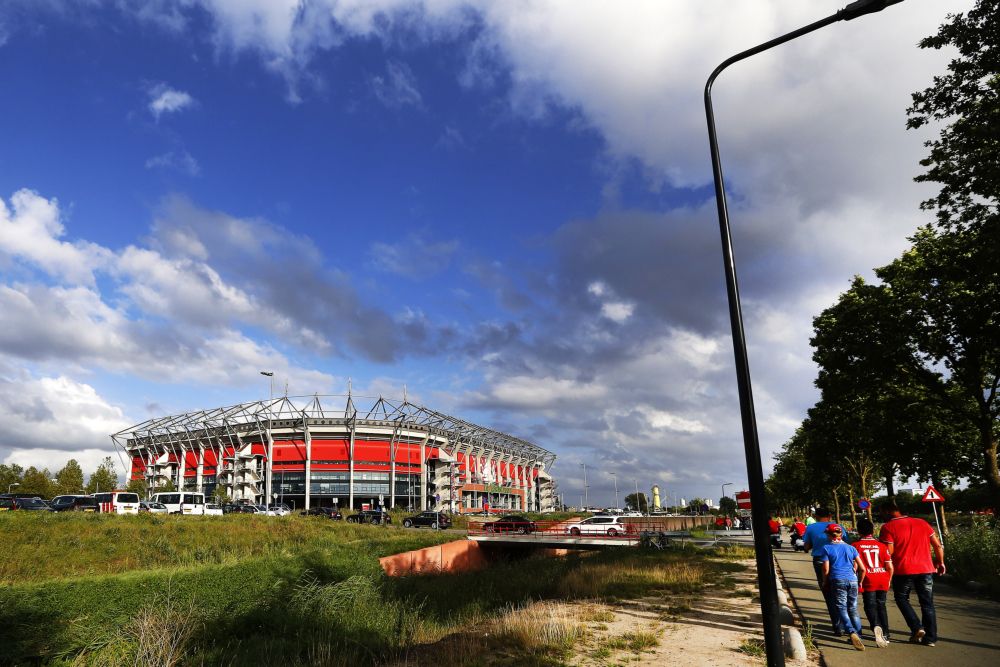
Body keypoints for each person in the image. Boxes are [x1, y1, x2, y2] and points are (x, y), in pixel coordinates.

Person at [879, 500, 945, 647]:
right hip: (926, 569)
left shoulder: (888, 527)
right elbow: (937, 545)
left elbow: (889, 551)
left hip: (903, 570)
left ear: (889, 511)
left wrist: (883, 566)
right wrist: (940, 562)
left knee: (901, 598)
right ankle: (931, 638)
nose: (881, 515)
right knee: (927, 603)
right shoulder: (922, 523)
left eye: (882, 512)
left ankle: (917, 627)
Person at [821, 523, 868, 650]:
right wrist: (860, 582)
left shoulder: (826, 548)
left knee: (841, 607)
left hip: (838, 579)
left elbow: (826, 569)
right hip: (852, 580)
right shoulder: (851, 548)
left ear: (829, 535)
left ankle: (851, 631)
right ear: (841, 534)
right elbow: (862, 569)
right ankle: (859, 635)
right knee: (853, 608)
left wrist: (825, 582)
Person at [854, 517, 893, 648]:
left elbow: (854, 567)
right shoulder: (882, 546)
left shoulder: (855, 546)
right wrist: (889, 580)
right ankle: (886, 634)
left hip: (867, 579)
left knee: (869, 605)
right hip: (882, 578)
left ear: (859, 531)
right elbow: (890, 567)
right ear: (872, 530)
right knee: (881, 605)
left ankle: (876, 625)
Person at [803, 508, 840, 632]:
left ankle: (837, 625)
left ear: (816, 516)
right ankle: (849, 625)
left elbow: (806, 546)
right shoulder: (838, 527)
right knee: (841, 592)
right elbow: (847, 542)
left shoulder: (811, 528)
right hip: (839, 560)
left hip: (820, 561)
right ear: (830, 515)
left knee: (828, 591)